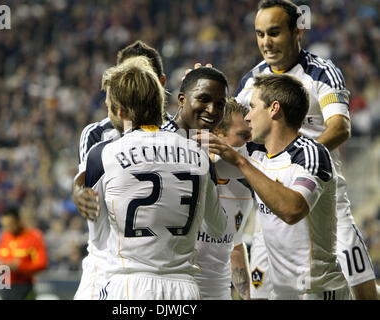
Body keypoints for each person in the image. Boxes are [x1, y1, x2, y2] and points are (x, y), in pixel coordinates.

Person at [235, 0, 378, 300]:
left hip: (325, 204)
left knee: (363, 291)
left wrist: (298, 165)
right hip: (273, 207)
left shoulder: (322, 73)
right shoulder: (251, 83)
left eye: (274, 32)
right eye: (260, 34)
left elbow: (340, 127)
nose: (266, 42)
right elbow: (236, 131)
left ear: (297, 30)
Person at [84, 56, 228, 299]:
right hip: (183, 290)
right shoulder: (198, 154)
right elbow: (219, 229)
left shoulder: (102, 154)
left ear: (120, 110)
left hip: (128, 287)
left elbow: (98, 238)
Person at [197, 73, 351, 300]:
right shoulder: (255, 153)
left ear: (274, 109)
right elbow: (200, 158)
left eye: (253, 107)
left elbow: (293, 210)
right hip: (281, 294)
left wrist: (241, 163)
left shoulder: (310, 154)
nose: (248, 117)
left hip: (318, 292)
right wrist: (197, 96)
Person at [73, 40, 174, 300]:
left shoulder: (178, 134)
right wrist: (78, 191)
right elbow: (86, 186)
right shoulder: (96, 133)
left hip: (163, 264)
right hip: (105, 259)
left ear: (159, 83)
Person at [194, 98, 253, 300]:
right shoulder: (190, 171)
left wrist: (248, 296)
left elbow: (234, 246)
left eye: (251, 136)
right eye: (243, 136)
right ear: (217, 133)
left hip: (218, 293)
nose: (249, 144)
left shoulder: (248, 184)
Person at [0, 206, 48, 300]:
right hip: (5, 286)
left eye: (9, 225)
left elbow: (42, 264)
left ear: (18, 221)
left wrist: (20, 266)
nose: (7, 229)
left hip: (24, 287)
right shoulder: (5, 237)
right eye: (4, 226)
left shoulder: (33, 237)